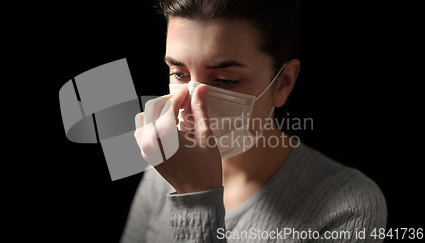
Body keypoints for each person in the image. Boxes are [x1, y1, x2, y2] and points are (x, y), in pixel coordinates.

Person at [122, 0, 387, 242]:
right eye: (179, 74)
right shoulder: (168, 166)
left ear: (283, 82)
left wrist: (197, 199)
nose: (193, 103)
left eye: (226, 81)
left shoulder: (348, 206)